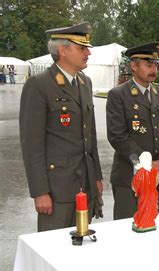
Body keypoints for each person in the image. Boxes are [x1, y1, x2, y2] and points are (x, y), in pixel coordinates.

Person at [19, 21, 103, 232]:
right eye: (82, 48)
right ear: (63, 50)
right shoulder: (39, 85)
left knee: (82, 244)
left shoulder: (85, 83)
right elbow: (32, 144)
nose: (88, 53)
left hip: (85, 183)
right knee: (53, 250)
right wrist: (40, 192)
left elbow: (89, 137)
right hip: (57, 190)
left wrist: (97, 177)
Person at [106, 42, 159, 220]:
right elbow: (117, 136)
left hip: (157, 175)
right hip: (129, 176)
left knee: (152, 224)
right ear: (134, 66)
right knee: (127, 226)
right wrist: (145, 162)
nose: (154, 70)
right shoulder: (119, 94)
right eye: (149, 65)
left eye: (156, 66)